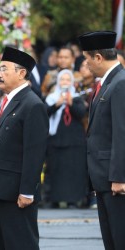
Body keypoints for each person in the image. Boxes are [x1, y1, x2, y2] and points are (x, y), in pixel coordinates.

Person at [0, 46, 49, 250]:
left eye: (4, 69)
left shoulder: (32, 104)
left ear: (21, 73)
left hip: (15, 190)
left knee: (20, 243)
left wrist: (27, 191)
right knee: (3, 243)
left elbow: (34, 152)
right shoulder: (8, 100)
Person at [78, 30, 125, 250]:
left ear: (98, 57)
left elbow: (121, 133)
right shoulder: (109, 83)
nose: (85, 65)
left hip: (116, 181)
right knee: (111, 240)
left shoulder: (120, 83)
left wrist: (119, 177)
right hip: (105, 177)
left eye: (87, 59)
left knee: (119, 237)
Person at [45, 69, 88, 208]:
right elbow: (44, 113)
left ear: (72, 82)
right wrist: (57, 104)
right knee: (56, 170)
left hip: (75, 142)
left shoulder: (76, 98)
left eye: (67, 80)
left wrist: (70, 103)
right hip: (56, 141)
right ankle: (55, 199)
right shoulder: (51, 98)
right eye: (62, 79)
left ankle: (73, 200)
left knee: (74, 170)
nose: (65, 82)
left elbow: (81, 114)